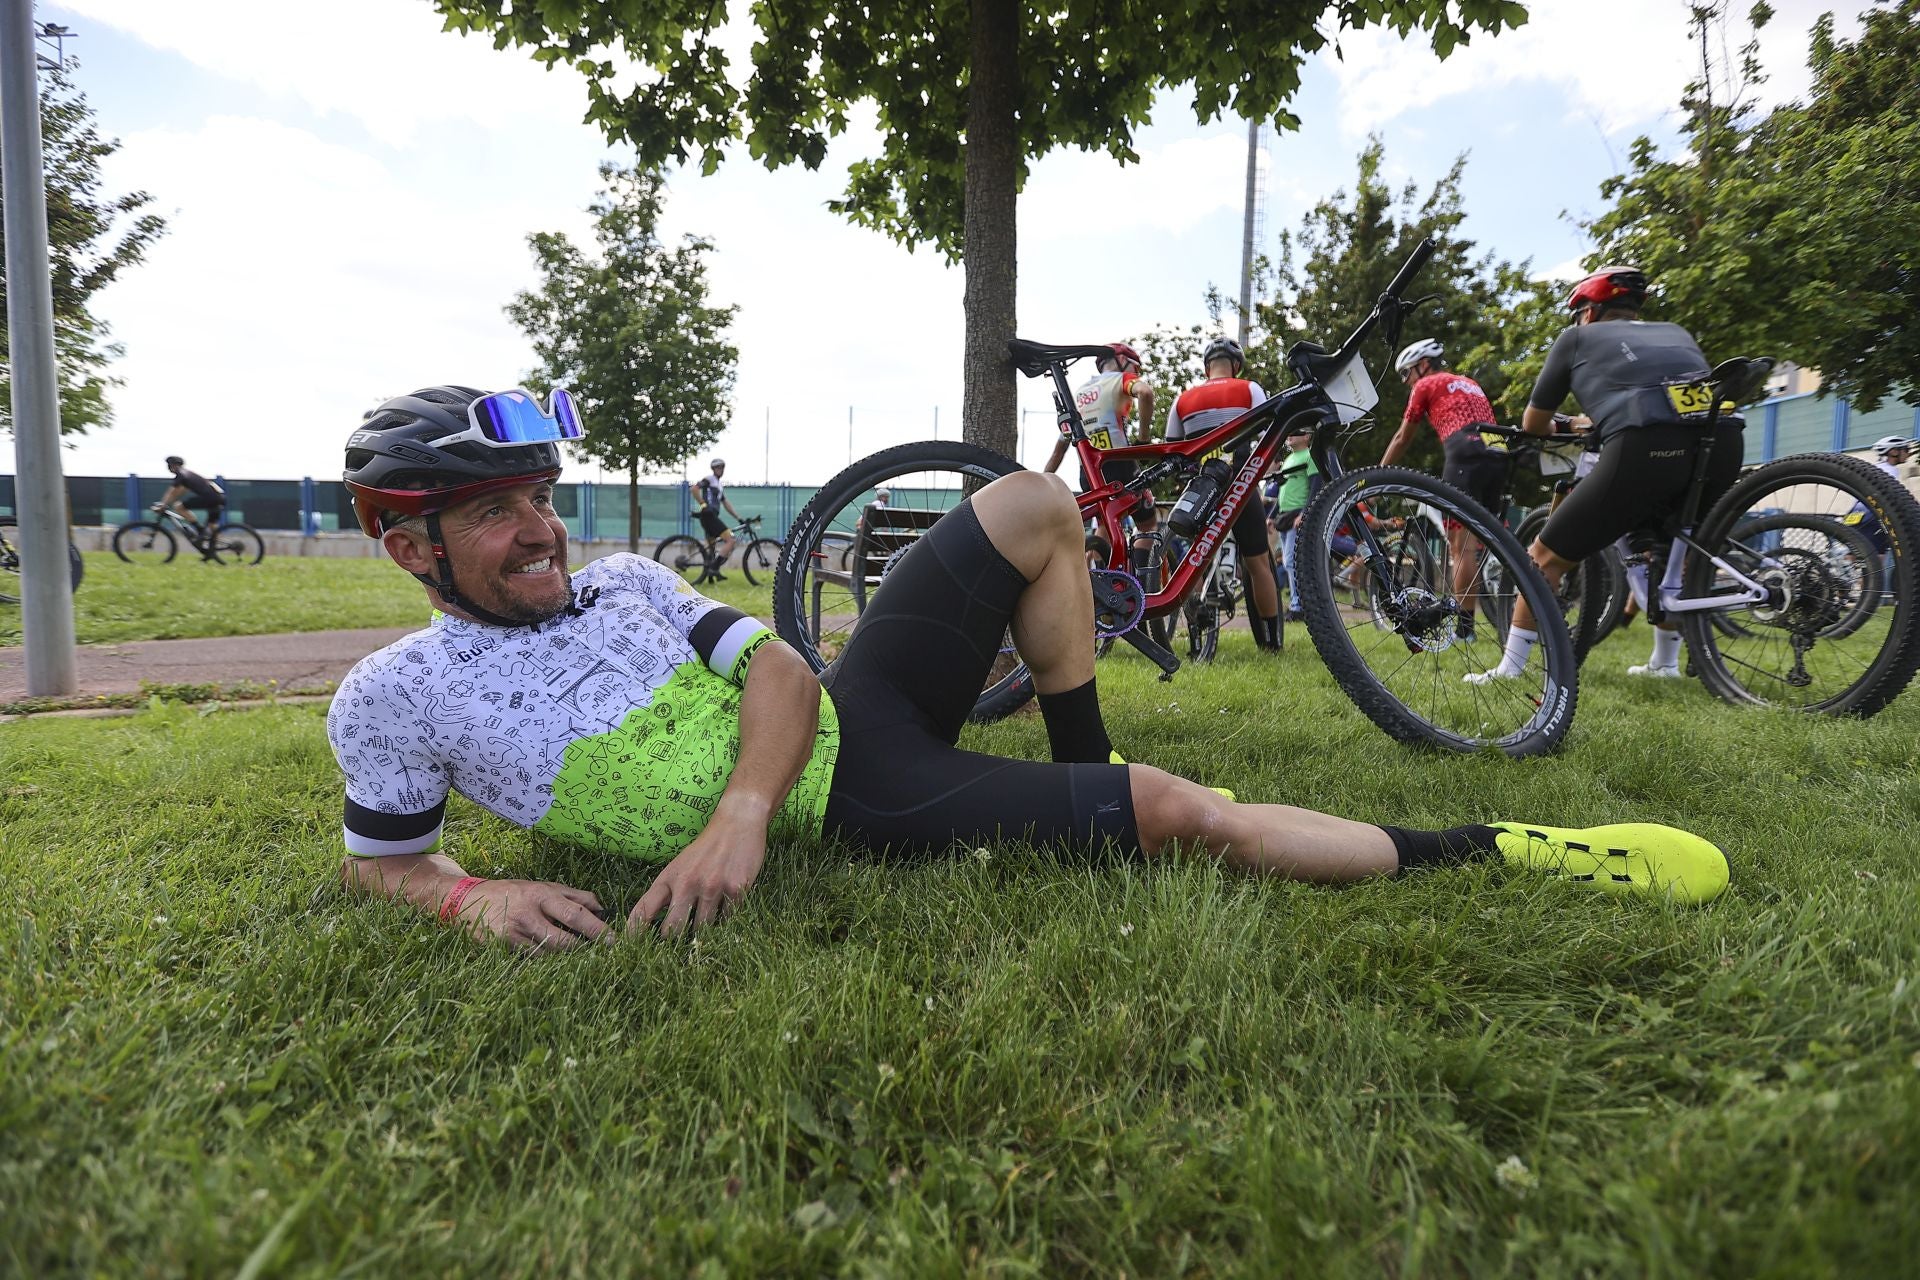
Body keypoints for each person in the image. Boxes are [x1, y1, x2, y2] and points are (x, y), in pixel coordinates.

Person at [327, 385, 1730, 950]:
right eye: (494, 512)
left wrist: (734, 814)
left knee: (1030, 506)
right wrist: (471, 896)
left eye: (537, 495)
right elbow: (382, 861)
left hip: (829, 735)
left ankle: (1080, 769)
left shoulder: (622, 581)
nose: (538, 529)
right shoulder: (393, 699)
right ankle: (1503, 848)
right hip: (855, 802)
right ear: (412, 550)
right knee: (1185, 815)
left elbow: (784, 681)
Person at [1469, 266, 1744, 683]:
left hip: (1646, 443)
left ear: (1589, 312)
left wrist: (1573, 423)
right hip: (1721, 441)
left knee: (1543, 557)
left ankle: (1510, 668)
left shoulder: (1576, 338)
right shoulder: (1676, 332)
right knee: (1667, 554)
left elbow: (1533, 423)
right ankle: (1666, 663)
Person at [1377, 339, 1504, 640]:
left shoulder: (1426, 385)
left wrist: (1380, 474)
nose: (1406, 381)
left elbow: (1402, 437)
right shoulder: (1469, 382)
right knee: (1493, 539)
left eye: (1406, 373)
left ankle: (1465, 629)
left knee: (1461, 548)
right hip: (1498, 449)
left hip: (1465, 451)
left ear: (1422, 365)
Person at [1164, 338, 1284, 651]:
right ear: (1236, 365)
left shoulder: (1184, 399)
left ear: (1207, 368)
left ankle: (1196, 635)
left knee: (1196, 564)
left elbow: (1172, 449)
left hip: (1200, 489)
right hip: (1240, 486)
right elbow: (1269, 435)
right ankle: (1271, 643)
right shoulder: (1249, 389)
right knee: (1258, 563)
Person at [1043, 342, 1161, 581]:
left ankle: (1102, 581)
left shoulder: (1081, 393)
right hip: (1120, 464)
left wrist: (1042, 480)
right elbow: (1146, 393)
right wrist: (1144, 439)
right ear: (1122, 361)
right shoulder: (1120, 379)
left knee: (1106, 525)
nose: (1136, 373)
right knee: (1148, 524)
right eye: (1135, 368)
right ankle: (1139, 583)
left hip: (1089, 473)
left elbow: (1060, 447)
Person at [690, 458, 743, 573]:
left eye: (722, 467)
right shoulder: (709, 479)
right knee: (731, 540)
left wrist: (738, 518)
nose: (720, 469)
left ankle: (712, 573)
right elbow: (694, 489)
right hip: (708, 515)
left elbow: (726, 503)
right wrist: (703, 504)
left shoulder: (718, 485)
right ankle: (714, 568)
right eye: (718, 467)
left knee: (712, 549)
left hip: (710, 516)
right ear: (713, 469)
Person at [157, 456, 226, 543]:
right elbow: (181, 491)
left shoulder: (181, 474)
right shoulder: (188, 473)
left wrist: (163, 504)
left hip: (210, 498)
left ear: (172, 465)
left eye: (169, 465)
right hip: (219, 497)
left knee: (179, 507)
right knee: (212, 525)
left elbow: (172, 491)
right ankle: (216, 549)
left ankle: (199, 529)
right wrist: (169, 501)